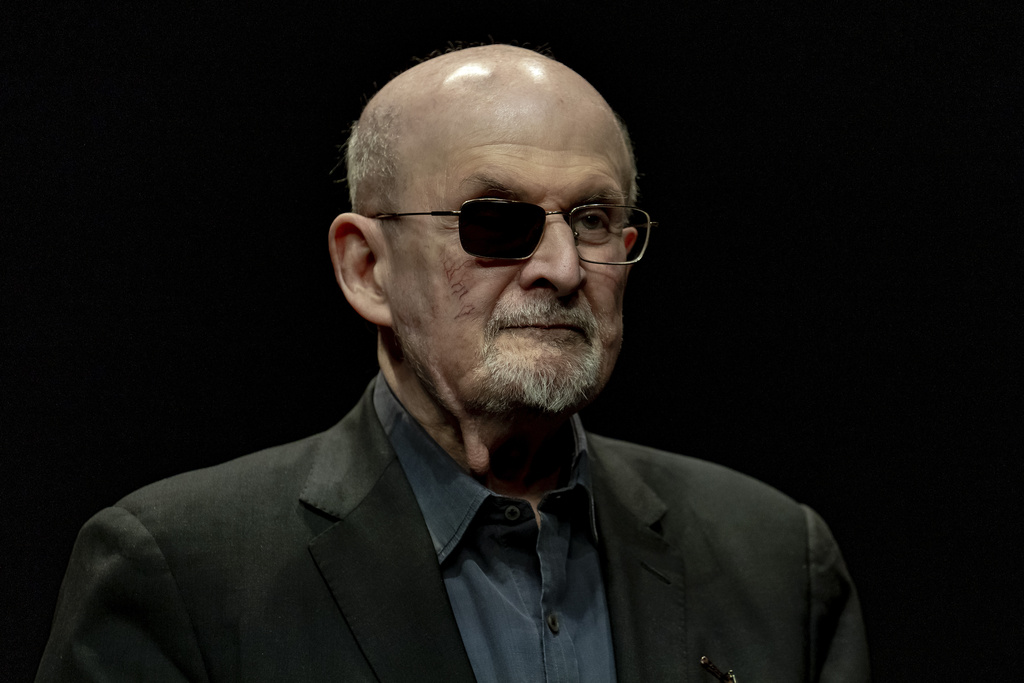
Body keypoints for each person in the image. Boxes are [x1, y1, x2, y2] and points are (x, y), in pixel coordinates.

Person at [37, 44, 870, 682]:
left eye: (591, 218)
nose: (562, 268)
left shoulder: (778, 562)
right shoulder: (179, 575)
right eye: (495, 220)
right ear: (368, 268)